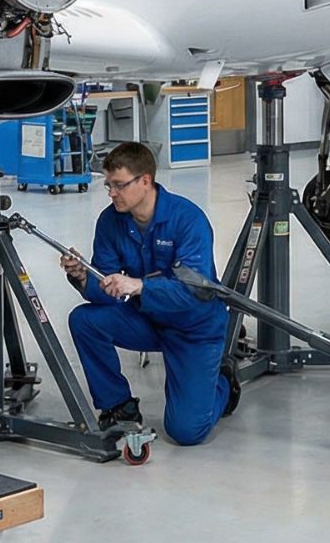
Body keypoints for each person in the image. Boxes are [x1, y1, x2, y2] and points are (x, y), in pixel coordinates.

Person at [61, 142, 234, 445]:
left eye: (119, 185)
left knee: (186, 432)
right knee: (84, 320)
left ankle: (224, 385)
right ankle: (118, 405)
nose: (112, 193)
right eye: (108, 186)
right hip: (147, 319)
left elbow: (196, 292)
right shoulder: (110, 221)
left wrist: (139, 285)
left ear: (145, 181)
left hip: (193, 327)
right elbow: (106, 291)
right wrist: (82, 277)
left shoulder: (187, 220)